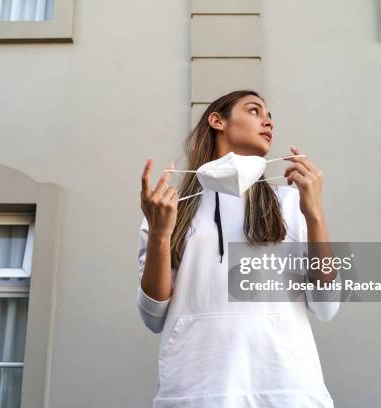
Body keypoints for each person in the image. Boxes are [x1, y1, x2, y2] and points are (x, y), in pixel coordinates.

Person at [137, 89, 342, 407]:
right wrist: (160, 236)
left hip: (287, 389)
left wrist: (314, 215)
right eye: (254, 111)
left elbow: (327, 306)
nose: (268, 122)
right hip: (195, 389)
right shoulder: (167, 208)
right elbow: (153, 317)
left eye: (270, 117)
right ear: (217, 120)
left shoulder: (291, 203)